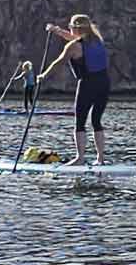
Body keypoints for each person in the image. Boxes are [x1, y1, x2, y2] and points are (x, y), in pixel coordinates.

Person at [36, 14, 109, 166]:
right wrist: (57, 31)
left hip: (88, 84)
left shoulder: (73, 47)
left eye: (70, 27)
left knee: (80, 122)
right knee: (96, 120)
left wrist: (43, 75)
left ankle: (80, 158)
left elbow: (59, 62)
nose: (69, 29)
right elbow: (74, 38)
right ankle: (100, 159)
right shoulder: (96, 40)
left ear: (76, 28)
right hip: (104, 83)